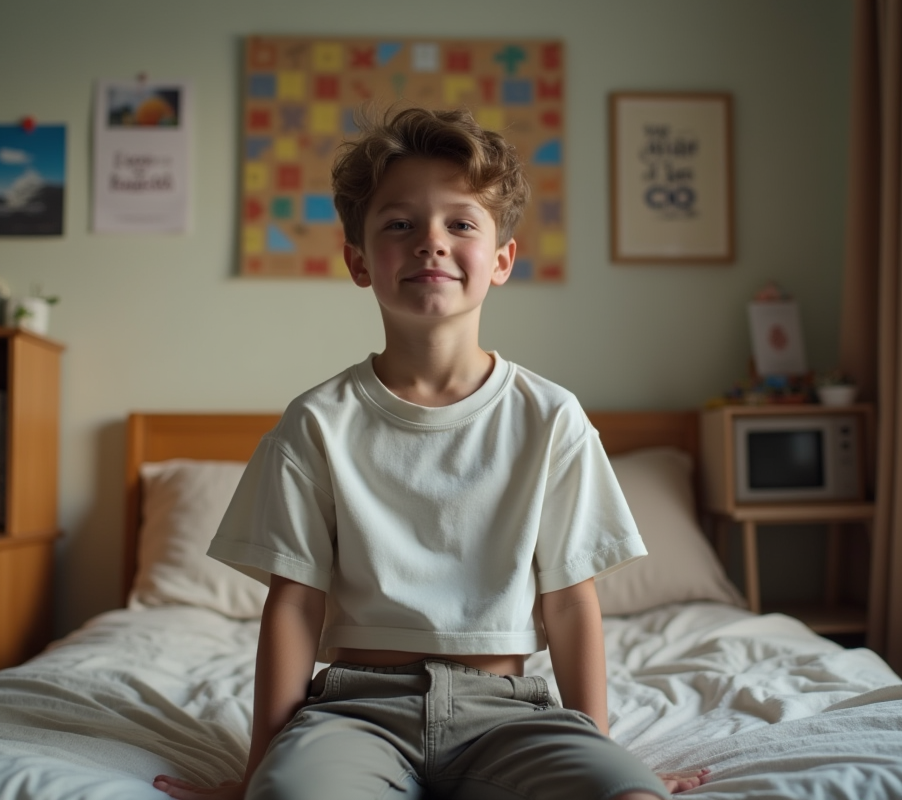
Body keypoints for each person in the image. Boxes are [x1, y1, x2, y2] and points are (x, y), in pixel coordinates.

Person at [153, 106, 709, 800]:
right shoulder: (316, 424)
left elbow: (571, 605)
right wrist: (260, 768)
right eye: (399, 224)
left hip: (509, 712)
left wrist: (599, 750)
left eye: (460, 223)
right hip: (355, 712)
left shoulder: (551, 418)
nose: (430, 242)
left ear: (501, 260)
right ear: (359, 260)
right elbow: (294, 606)